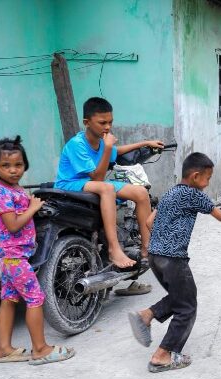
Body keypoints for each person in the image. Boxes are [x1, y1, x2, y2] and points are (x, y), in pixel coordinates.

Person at [127, 152, 221, 372]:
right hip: (173, 259)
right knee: (187, 307)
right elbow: (220, 216)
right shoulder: (194, 194)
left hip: (155, 256)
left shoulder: (170, 192)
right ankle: (162, 355)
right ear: (195, 176)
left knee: (181, 297)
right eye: (207, 178)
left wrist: (163, 240)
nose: (207, 183)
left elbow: (148, 221)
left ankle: (146, 315)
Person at [0, 136, 75, 365]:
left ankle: (4, 349)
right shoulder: (3, 194)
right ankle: (40, 349)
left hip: (9, 256)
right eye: (5, 166)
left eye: (18, 165)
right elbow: (13, 224)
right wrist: (33, 207)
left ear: (25, 165)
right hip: (13, 256)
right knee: (35, 298)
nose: (13, 170)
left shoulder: (10, 188)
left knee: (9, 299)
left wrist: (28, 202)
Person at [55, 97, 164, 269]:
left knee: (141, 193)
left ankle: (147, 249)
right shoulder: (77, 144)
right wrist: (106, 147)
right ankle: (114, 249)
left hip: (92, 183)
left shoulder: (99, 140)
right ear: (87, 122)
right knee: (107, 187)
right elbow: (97, 178)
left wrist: (145, 143)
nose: (107, 127)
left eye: (110, 122)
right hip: (70, 184)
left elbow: (117, 151)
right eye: (102, 122)